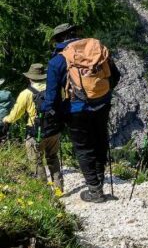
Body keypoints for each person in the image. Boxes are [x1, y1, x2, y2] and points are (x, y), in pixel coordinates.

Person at [43, 23, 120, 202]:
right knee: (100, 142)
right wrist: (102, 95)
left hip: (76, 109)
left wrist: (52, 112)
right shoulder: (97, 50)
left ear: (59, 39)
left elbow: (51, 96)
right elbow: (115, 76)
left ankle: (94, 190)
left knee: (84, 148)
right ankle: (99, 183)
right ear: (75, 33)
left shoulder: (57, 60)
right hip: (102, 105)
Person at [3, 64, 63, 194]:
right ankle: (59, 189)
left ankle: (44, 193)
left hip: (35, 132)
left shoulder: (26, 94)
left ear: (30, 78)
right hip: (54, 130)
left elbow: (16, 114)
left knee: (36, 162)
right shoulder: (55, 90)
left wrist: (6, 121)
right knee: (53, 157)